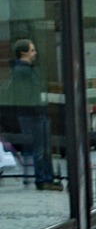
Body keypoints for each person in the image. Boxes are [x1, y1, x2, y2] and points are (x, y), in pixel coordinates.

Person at [8, 39, 60, 191]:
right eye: (32, 50)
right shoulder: (22, 71)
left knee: (44, 148)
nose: (35, 53)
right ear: (23, 53)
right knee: (40, 148)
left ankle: (47, 178)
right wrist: (36, 109)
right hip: (33, 114)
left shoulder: (29, 69)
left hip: (39, 112)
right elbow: (26, 94)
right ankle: (43, 179)